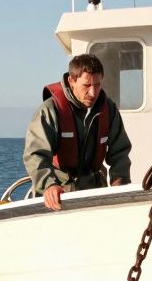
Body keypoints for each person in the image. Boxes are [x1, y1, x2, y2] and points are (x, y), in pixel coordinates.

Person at [24, 54, 132, 211]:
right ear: (71, 81)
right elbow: (35, 154)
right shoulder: (50, 110)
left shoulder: (109, 110)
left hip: (95, 193)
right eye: (86, 85)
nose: (93, 92)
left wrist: (120, 183)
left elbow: (120, 152)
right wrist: (48, 185)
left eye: (97, 85)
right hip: (58, 195)